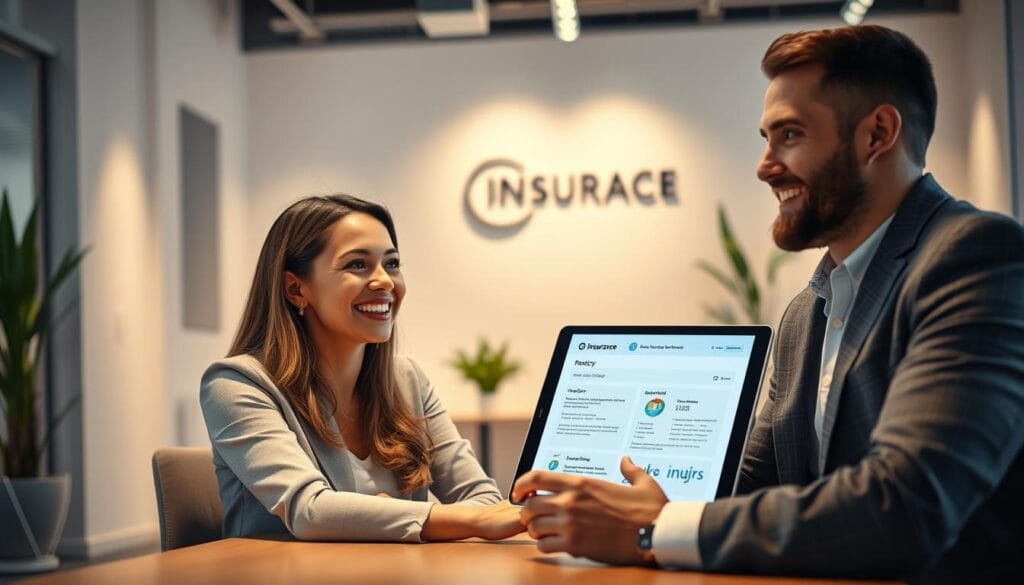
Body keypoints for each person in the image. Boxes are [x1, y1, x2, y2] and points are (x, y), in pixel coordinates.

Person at [513, 25, 1024, 584]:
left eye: (790, 135)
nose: (764, 165)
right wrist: (605, 506)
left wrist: (650, 530)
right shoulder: (809, 312)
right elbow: (744, 489)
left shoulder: (975, 257)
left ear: (877, 133)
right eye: (766, 137)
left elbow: (904, 505)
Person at [201, 194, 524, 542]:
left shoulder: (408, 381)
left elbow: (484, 501)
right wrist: (384, 510)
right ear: (296, 288)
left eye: (393, 263)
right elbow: (310, 512)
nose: (385, 281)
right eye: (357, 264)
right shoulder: (237, 384)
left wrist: (377, 513)